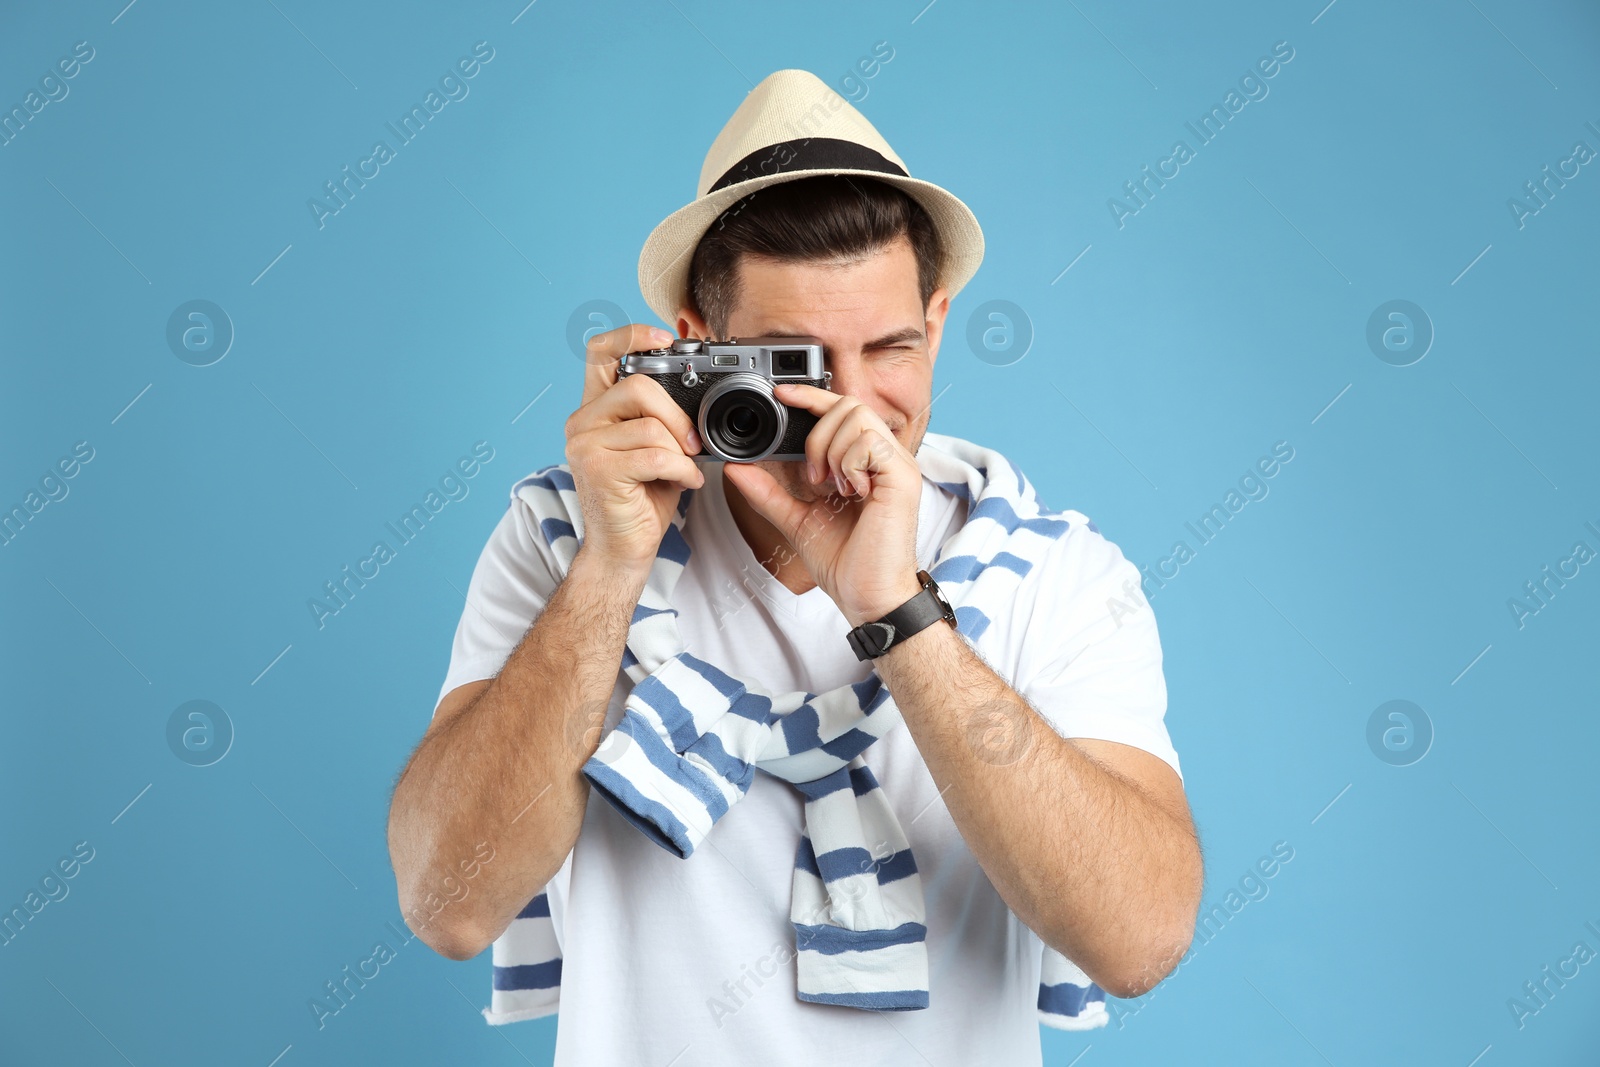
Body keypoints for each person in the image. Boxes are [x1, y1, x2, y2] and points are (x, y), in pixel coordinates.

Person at [387, 69, 1202, 1066]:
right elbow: (447, 903)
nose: (854, 404)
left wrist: (892, 606)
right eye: (796, 362)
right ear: (698, 343)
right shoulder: (566, 536)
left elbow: (1138, 940)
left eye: (891, 347)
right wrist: (610, 570)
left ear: (938, 325)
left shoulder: (1054, 571)